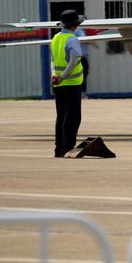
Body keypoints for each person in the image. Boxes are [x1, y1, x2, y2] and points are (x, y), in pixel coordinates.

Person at [50, 9, 85, 157]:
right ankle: (67, 148)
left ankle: (59, 148)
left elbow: (52, 60)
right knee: (72, 117)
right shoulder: (72, 39)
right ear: (75, 25)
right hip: (71, 83)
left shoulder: (56, 37)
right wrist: (63, 76)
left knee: (62, 116)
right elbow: (74, 61)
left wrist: (54, 75)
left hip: (58, 83)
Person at [73, 17, 90, 95]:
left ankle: (79, 92)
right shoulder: (79, 30)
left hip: (77, 57)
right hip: (81, 57)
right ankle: (81, 92)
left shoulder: (75, 30)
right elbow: (83, 39)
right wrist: (93, 42)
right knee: (83, 75)